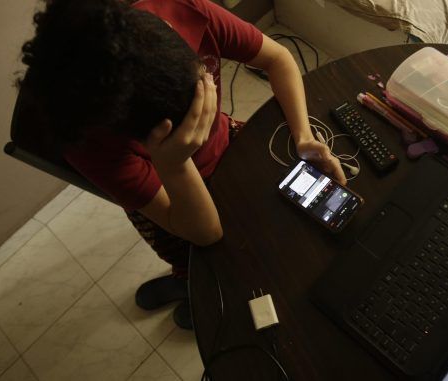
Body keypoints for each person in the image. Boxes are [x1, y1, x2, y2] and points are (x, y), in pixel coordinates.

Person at [19, 0, 345, 329]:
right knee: (200, 262)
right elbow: (205, 233)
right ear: (147, 135)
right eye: (194, 117)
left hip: (228, 150)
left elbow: (278, 58)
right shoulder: (89, 142)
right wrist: (173, 164)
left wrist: (302, 135)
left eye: (204, 76)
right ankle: (187, 284)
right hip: (172, 198)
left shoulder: (182, 11)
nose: (208, 79)